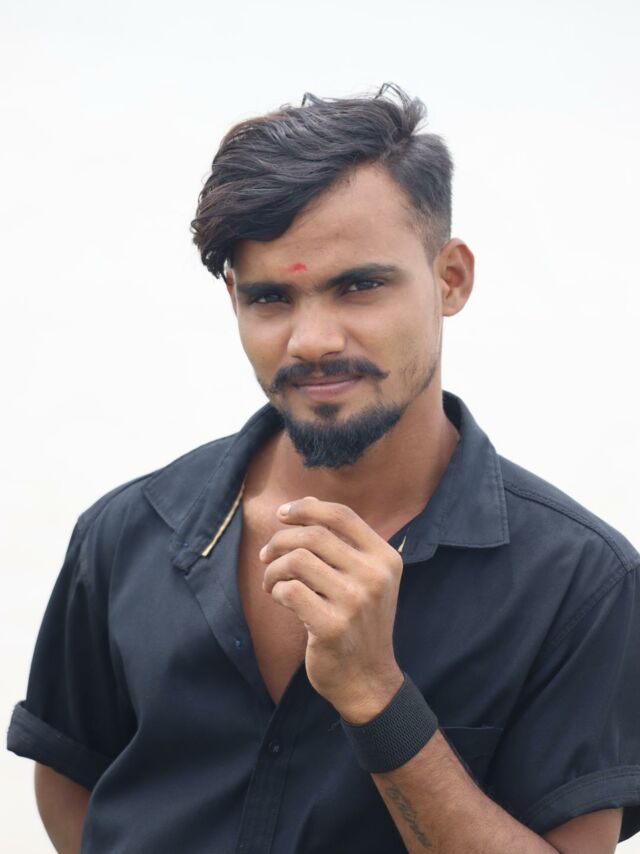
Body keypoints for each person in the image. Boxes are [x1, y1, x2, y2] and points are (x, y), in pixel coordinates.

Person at [7, 84, 640, 854]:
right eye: (271, 298)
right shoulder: (125, 535)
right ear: (234, 300)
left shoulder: (580, 583)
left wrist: (378, 697)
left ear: (450, 279)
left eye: (359, 286)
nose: (311, 340)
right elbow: (70, 783)